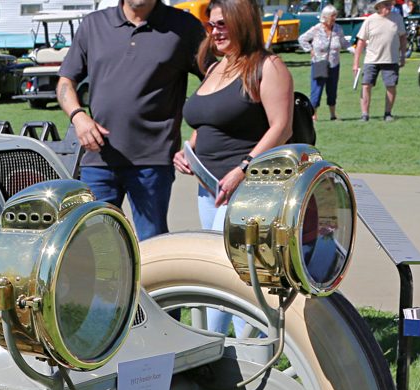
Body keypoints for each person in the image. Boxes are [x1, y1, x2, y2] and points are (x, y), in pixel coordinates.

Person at [56, 0, 204, 241]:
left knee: (152, 243)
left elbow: (216, 79)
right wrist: (78, 116)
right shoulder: (94, 25)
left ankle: (149, 281)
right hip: (98, 158)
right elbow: (66, 81)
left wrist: (195, 138)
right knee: (94, 242)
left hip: (153, 160)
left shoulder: (184, 26)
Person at [177, 0, 292, 231]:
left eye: (222, 25)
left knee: (227, 255)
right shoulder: (213, 69)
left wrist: (243, 169)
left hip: (246, 186)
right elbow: (206, 121)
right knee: (215, 257)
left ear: (242, 23)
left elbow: (281, 128)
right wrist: (187, 150)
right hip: (209, 187)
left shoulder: (268, 66)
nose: (215, 33)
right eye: (211, 26)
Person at [352, 0, 404, 122]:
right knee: (366, 86)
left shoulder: (397, 18)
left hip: (391, 59)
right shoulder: (370, 20)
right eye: (386, 5)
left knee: (391, 86)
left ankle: (388, 113)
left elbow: (403, 37)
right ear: (379, 7)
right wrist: (356, 63)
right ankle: (364, 114)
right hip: (371, 59)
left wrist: (402, 56)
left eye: (390, 4)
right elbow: (360, 42)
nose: (389, 7)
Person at [299, 6, 346, 120]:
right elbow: (302, 39)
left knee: (332, 89)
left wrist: (354, 49)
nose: (335, 18)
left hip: (334, 64)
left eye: (335, 15)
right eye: (332, 16)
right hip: (319, 63)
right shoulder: (316, 29)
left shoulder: (338, 29)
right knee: (317, 90)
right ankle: (313, 115)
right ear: (325, 17)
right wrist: (310, 49)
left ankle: (333, 115)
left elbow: (344, 42)